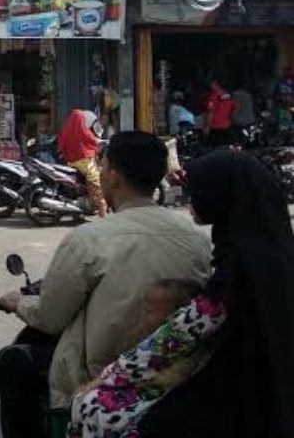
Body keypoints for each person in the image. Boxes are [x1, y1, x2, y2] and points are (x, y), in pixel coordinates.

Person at [0, 131, 211, 438]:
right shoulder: (196, 239)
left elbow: (50, 317)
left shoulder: (90, 239)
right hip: (180, 371)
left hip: (103, 376)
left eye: (102, 164)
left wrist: (18, 302)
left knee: (12, 363)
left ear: (113, 174)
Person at [69, 150, 294, 438]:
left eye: (198, 191)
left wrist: (109, 377)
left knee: (93, 409)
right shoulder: (265, 253)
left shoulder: (239, 267)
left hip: (238, 392)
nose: (190, 201)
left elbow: (179, 335)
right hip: (256, 382)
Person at [57, 109, 107, 218]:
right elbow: (91, 139)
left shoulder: (66, 130)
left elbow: (61, 144)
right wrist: (99, 142)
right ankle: (102, 209)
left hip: (71, 162)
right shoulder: (82, 130)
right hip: (84, 160)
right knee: (95, 179)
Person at [205, 79, 236, 146]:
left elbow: (211, 112)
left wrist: (207, 126)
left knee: (216, 147)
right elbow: (234, 108)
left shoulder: (213, 97)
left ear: (215, 84)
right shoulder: (228, 95)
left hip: (215, 126)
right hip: (227, 125)